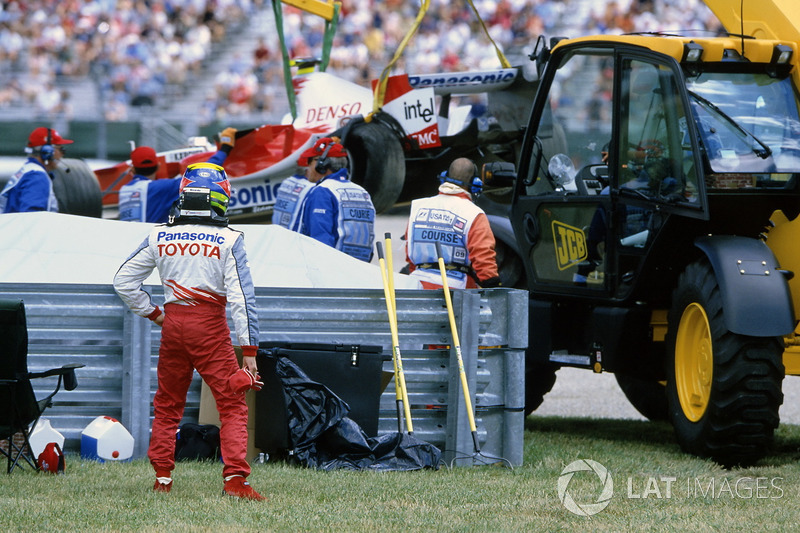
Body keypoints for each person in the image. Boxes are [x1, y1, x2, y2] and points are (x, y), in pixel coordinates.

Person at [113, 162, 265, 501]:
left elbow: (123, 281)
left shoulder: (158, 234)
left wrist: (153, 314)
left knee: (168, 404)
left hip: (173, 324)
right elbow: (242, 298)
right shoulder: (230, 239)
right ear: (220, 197)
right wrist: (250, 352)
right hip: (209, 327)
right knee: (232, 403)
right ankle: (236, 481)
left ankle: (163, 479)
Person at [405, 157, 500, 289]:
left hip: (417, 284)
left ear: (444, 176)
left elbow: (410, 253)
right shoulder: (474, 214)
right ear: (475, 183)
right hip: (457, 290)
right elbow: (483, 257)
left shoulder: (418, 207)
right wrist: (492, 285)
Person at [118, 127, 237, 223]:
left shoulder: (123, 190)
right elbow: (200, 175)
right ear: (158, 166)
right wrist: (225, 149)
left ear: (132, 170)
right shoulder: (159, 188)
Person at [295, 137, 375, 262]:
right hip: (361, 270)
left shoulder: (322, 192)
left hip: (331, 272)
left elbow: (320, 242)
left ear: (321, 164)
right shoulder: (361, 191)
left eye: (310, 161)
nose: (307, 167)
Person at [0, 126, 73, 214]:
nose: (62, 154)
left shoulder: (28, 171)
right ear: (48, 152)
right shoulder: (37, 177)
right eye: (61, 149)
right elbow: (32, 218)